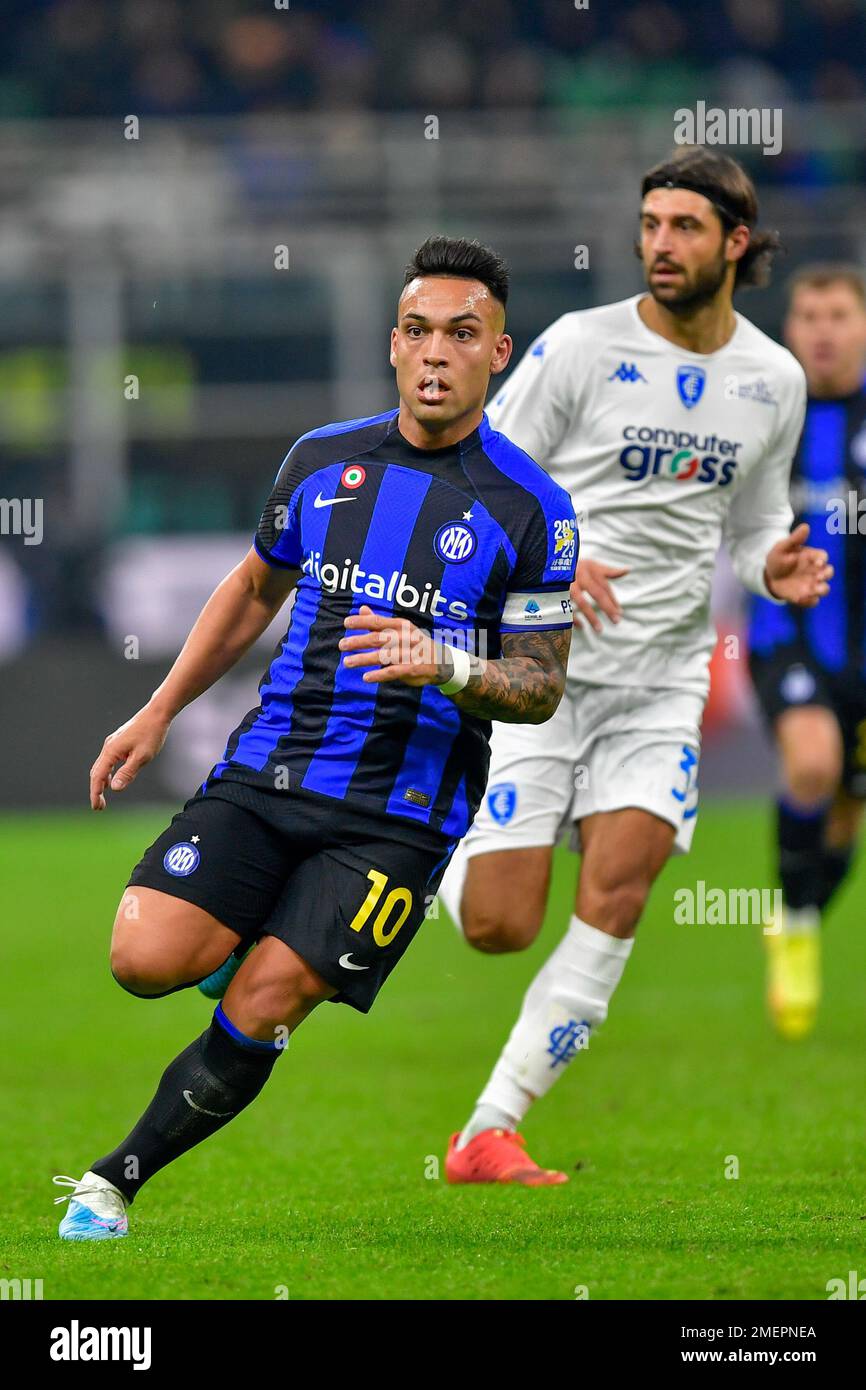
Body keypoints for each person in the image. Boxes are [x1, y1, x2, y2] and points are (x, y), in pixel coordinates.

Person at [53, 236, 577, 1239]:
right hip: (268, 767)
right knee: (141, 956)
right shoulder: (320, 460)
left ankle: (112, 1182)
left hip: (400, 814)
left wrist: (449, 665)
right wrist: (157, 708)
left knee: (265, 995)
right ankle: (252, 929)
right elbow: (255, 587)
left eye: (461, 335)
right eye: (418, 331)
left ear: (496, 354)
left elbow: (541, 685)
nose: (435, 354)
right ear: (391, 344)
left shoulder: (532, 510)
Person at [438, 149, 832, 1187]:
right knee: (497, 926)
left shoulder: (771, 378)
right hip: (539, 667)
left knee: (616, 893)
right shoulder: (580, 347)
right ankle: (440, 823)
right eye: (650, 223)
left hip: (661, 683)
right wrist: (556, 559)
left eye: (684, 227)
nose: (659, 243)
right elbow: (479, 471)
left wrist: (773, 563)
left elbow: (748, 525)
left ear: (733, 244)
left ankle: (490, 1128)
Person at [749, 263, 866, 1039]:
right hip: (783, 635)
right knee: (814, 763)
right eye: (809, 316)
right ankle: (793, 928)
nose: (822, 330)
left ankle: (800, 917)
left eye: (838, 316)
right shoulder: (764, 414)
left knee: (847, 809)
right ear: (790, 331)